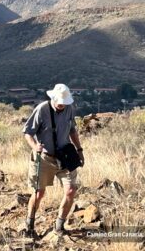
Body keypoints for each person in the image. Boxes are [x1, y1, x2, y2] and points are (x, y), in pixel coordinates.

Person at [23, 84, 84, 236]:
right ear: (53, 98)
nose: (62, 104)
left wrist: (79, 150)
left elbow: (72, 130)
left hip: (65, 157)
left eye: (64, 102)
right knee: (39, 193)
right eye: (60, 102)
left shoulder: (69, 108)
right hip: (45, 158)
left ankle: (59, 226)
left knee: (71, 191)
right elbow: (27, 133)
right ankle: (29, 225)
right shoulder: (42, 109)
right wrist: (34, 145)